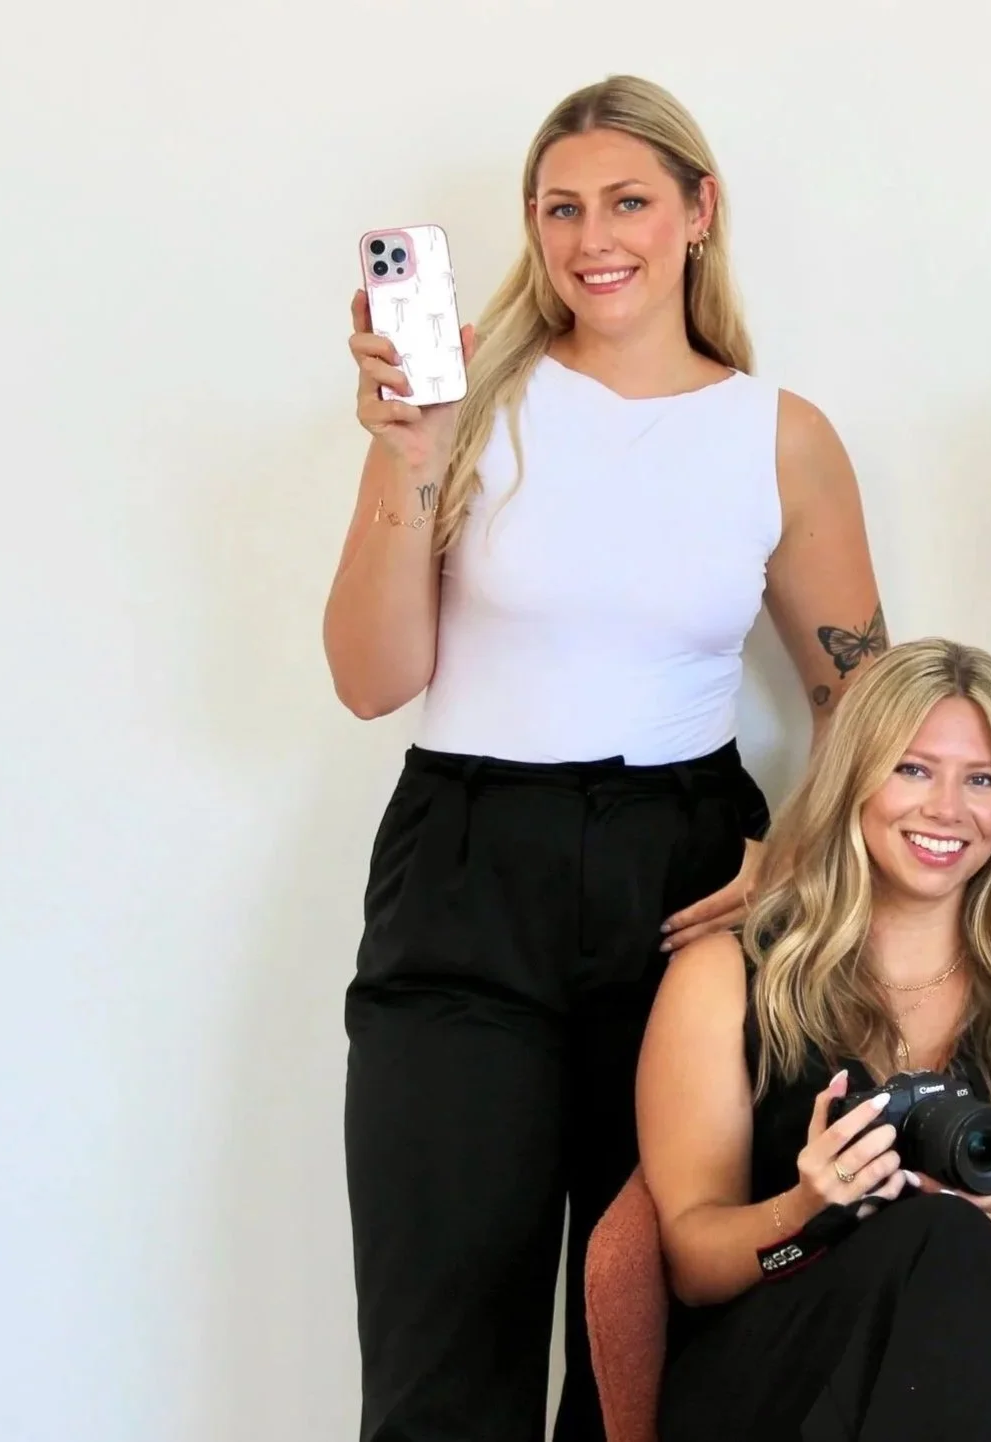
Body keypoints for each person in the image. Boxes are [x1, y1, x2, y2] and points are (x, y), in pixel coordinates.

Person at [323, 75, 887, 1442]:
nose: (593, 237)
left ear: (699, 212)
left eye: (627, 200)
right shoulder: (466, 408)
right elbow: (368, 678)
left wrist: (798, 862)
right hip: (465, 867)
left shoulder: (779, 435)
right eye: (560, 207)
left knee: (648, 1342)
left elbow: (866, 699)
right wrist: (410, 457)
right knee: (440, 1348)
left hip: (678, 876)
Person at [636, 638, 991, 1442]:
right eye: (913, 769)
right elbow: (694, 1269)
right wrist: (806, 1210)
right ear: (853, 780)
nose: (947, 809)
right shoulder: (725, 979)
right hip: (788, 1376)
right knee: (931, 1238)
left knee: (949, 1240)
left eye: (981, 779)